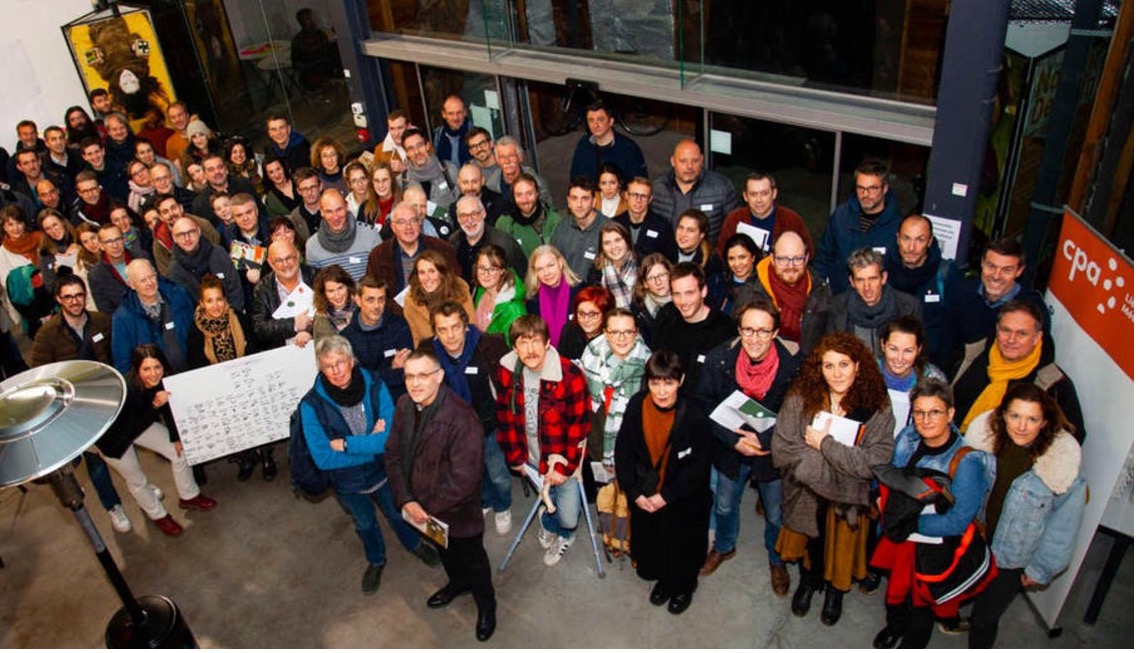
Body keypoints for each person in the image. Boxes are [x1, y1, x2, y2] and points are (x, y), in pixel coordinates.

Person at [300, 336, 439, 595]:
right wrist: (370, 445)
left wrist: (346, 444)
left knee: (399, 513)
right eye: (328, 365)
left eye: (341, 362)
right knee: (364, 523)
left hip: (385, 473)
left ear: (351, 361)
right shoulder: (311, 406)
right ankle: (376, 560)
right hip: (348, 485)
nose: (336, 371)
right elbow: (322, 458)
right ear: (320, 367)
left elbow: (388, 439)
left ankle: (414, 544)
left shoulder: (375, 385)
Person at [772, 332, 895, 626]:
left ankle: (834, 593)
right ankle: (808, 582)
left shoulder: (877, 403)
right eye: (828, 366)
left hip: (847, 501)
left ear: (858, 365)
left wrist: (825, 445)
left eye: (843, 364)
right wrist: (841, 464)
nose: (836, 373)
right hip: (806, 495)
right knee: (808, 546)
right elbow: (782, 447)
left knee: (839, 550)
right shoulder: (801, 396)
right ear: (819, 368)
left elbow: (875, 461)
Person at [870, 378, 995, 649]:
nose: (925, 420)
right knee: (895, 589)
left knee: (921, 603)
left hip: (931, 545)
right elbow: (892, 474)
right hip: (901, 537)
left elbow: (958, 520)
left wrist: (910, 524)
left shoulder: (966, 461)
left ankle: (912, 643)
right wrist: (880, 497)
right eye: (919, 412)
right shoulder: (908, 436)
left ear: (950, 414)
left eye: (934, 412)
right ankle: (894, 626)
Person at [385, 343, 497, 641]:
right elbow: (392, 455)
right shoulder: (404, 406)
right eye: (409, 376)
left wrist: (421, 506)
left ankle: (487, 606)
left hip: (457, 512)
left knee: (474, 559)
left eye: (423, 375)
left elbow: (465, 479)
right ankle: (458, 584)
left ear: (439, 376)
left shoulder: (462, 418)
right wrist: (406, 499)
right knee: (446, 552)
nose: (415, 383)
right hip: (420, 509)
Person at [962, 384, 1085, 648]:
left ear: (1045, 422)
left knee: (985, 619)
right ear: (1003, 415)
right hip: (975, 541)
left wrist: (1040, 569)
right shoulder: (983, 444)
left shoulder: (1059, 463)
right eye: (1015, 416)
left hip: (1011, 559)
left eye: (1032, 419)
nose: (1021, 426)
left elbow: (1064, 526)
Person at [696, 298, 802, 595]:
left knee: (776, 512)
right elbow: (703, 406)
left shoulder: (794, 364)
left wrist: (765, 441)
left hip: (773, 452)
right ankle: (725, 546)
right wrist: (734, 440)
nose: (755, 338)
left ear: (775, 332)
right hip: (730, 449)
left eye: (763, 331)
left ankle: (776, 558)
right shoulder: (719, 360)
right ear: (739, 330)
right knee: (725, 504)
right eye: (748, 330)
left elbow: (801, 415)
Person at [29, 274, 132, 533]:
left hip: (108, 399)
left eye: (79, 295)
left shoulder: (101, 322)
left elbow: (117, 353)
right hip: (76, 410)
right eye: (68, 297)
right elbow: (41, 377)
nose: (75, 301)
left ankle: (139, 486)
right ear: (58, 299)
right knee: (96, 463)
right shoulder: (47, 335)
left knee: (125, 446)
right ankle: (113, 507)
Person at [615, 349, 712, 615]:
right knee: (654, 548)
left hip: (682, 498)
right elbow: (623, 451)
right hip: (645, 494)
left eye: (668, 382)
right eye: (655, 383)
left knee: (683, 546)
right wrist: (634, 493)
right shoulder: (637, 405)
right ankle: (664, 579)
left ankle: (682, 586)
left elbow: (699, 467)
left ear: (680, 381)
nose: (661, 391)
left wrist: (666, 496)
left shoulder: (695, 414)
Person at [494, 315, 591, 566]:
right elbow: (504, 416)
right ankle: (549, 520)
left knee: (568, 518)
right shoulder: (507, 371)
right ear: (514, 347)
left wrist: (562, 468)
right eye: (522, 343)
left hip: (562, 461)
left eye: (536, 341)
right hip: (531, 458)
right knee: (551, 502)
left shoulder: (569, 374)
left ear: (547, 342)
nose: (530, 349)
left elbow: (579, 426)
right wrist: (515, 458)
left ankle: (563, 532)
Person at [96, 345, 218, 538]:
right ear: (137, 369)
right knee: (136, 479)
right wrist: (154, 406)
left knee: (180, 452)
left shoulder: (163, 379)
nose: (153, 374)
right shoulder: (127, 390)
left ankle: (189, 496)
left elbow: (168, 408)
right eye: (146, 369)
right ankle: (158, 515)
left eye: (157, 367)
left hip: (142, 421)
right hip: (114, 439)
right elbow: (129, 427)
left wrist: (176, 437)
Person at [429, 302, 513, 534]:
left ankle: (503, 505)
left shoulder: (488, 345)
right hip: (457, 432)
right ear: (435, 332)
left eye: (455, 327)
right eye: (443, 329)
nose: (450, 335)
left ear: (466, 325)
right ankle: (485, 501)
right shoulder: (429, 354)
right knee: (474, 474)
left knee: (497, 473)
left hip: (489, 426)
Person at [951, 301, 1085, 442]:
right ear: (997, 329)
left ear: (1037, 337)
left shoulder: (1054, 384)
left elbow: (1073, 437)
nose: (1011, 339)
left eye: (1022, 333)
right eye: (1006, 330)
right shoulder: (970, 355)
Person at [186, 274, 268, 480]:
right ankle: (246, 457)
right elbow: (196, 365)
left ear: (225, 299)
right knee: (235, 428)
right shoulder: (195, 331)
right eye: (210, 300)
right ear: (201, 303)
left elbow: (254, 347)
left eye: (219, 299)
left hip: (246, 382)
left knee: (258, 422)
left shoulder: (239, 318)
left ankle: (266, 456)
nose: (215, 305)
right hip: (219, 390)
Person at [944, 238, 1051, 368]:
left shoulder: (1033, 308)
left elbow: (1041, 357)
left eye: (1007, 270)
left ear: (1019, 271)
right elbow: (946, 342)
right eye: (991, 266)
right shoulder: (962, 292)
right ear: (982, 263)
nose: (996, 276)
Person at [883, 214, 964, 368]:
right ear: (898, 238)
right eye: (906, 238)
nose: (911, 248)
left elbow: (952, 329)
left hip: (929, 364)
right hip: (888, 362)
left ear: (930, 241)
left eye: (920, 240)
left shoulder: (946, 274)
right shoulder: (883, 271)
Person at [737, 231, 832, 356]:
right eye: (783, 259)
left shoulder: (821, 290)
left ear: (807, 258)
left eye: (798, 258)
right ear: (772, 259)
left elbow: (830, 340)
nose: (790, 266)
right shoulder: (751, 293)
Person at [815, 160, 902, 294]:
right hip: (839, 300)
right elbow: (823, 256)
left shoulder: (898, 227)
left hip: (876, 307)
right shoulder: (840, 217)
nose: (865, 194)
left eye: (872, 188)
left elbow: (898, 273)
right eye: (860, 188)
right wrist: (821, 290)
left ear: (885, 189)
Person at [581, 307, 651, 467]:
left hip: (635, 451)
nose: (621, 338)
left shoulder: (649, 365)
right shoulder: (591, 355)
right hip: (597, 444)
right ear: (606, 333)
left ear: (636, 332)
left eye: (628, 332)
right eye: (615, 332)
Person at [651, 262, 735, 391]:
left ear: (703, 291)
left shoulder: (725, 329)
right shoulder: (666, 317)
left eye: (689, 293)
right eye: (677, 294)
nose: (683, 301)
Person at [828, 248, 921, 358]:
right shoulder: (837, 307)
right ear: (852, 282)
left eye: (872, 279)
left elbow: (918, 353)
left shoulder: (909, 307)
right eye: (860, 280)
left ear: (884, 278)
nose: (867, 287)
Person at [111, 259, 195, 373]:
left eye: (151, 276)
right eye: (143, 280)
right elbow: (123, 362)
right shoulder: (122, 318)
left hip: (192, 371)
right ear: (131, 285)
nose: (149, 283)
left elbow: (197, 331)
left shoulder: (179, 296)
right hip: (155, 384)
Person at [651, 139, 740, 244]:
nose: (689, 166)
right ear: (673, 161)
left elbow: (735, 226)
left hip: (708, 256)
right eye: (683, 161)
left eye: (695, 161)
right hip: (667, 256)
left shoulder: (721, 187)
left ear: (702, 160)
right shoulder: (657, 188)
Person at [340, 276, 414, 401]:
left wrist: (371, 375)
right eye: (370, 300)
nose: (377, 306)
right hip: (365, 401)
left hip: (399, 399)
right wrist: (391, 368)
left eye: (381, 299)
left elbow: (406, 372)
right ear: (358, 300)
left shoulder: (399, 326)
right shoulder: (346, 338)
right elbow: (356, 381)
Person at [365, 201, 459, 297]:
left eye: (413, 220)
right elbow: (373, 293)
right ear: (393, 227)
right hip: (393, 310)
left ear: (419, 223)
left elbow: (455, 288)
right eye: (401, 222)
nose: (408, 227)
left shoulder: (443, 250)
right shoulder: (378, 256)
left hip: (436, 309)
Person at [717, 172, 813, 260]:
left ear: (774, 194)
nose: (759, 200)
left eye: (764, 194)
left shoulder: (791, 220)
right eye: (753, 194)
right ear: (745, 196)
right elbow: (722, 254)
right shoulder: (734, 219)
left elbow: (808, 254)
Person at [877, 316, 947, 437]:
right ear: (883, 345)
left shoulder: (933, 379)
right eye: (893, 349)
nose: (899, 358)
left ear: (918, 350)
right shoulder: (866, 373)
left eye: (908, 351)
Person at [167, 216, 244, 314]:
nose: (187, 238)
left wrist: (233, 315)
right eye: (181, 235)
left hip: (232, 315)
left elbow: (234, 286)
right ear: (174, 238)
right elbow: (184, 306)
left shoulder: (218, 252)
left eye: (191, 232)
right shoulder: (175, 271)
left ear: (199, 231)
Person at [251, 240, 317, 350]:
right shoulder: (262, 289)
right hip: (284, 354)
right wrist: (293, 324)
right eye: (279, 260)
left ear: (297, 255)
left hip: (319, 347)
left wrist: (311, 332)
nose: (285, 264)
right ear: (270, 263)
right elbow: (260, 329)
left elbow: (331, 313)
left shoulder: (316, 277)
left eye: (289, 258)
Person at [402, 250, 476, 345]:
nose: (427, 277)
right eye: (422, 272)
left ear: (442, 273)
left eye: (432, 271)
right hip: (431, 354)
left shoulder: (459, 290)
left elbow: (471, 328)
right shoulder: (411, 300)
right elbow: (416, 340)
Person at [449, 194, 526, 285]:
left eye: (474, 214)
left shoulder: (503, 244)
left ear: (484, 213)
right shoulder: (453, 242)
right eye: (464, 216)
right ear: (458, 219)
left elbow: (521, 277)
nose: (469, 220)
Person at [0, 206, 53, 336]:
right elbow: (9, 285)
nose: (15, 228)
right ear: (4, 227)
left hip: (52, 297)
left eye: (19, 223)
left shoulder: (40, 238)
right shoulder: (2, 253)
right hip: (29, 308)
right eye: (10, 224)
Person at [306, 189, 381, 280]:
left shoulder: (370, 235)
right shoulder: (312, 246)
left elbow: (381, 278)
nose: (335, 217)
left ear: (347, 206)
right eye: (329, 211)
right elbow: (317, 287)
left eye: (339, 209)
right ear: (321, 211)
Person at [570, 99, 648, 183]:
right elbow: (575, 179)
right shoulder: (584, 144)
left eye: (600, 120)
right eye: (591, 120)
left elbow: (639, 184)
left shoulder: (629, 149)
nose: (595, 125)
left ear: (611, 121)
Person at [523, 245, 580, 349]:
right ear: (535, 272)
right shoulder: (532, 301)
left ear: (560, 263)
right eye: (540, 269)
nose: (547, 273)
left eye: (550, 265)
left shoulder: (580, 291)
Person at [495, 172, 562, 258]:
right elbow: (502, 259)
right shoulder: (504, 223)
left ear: (537, 193)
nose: (525, 200)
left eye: (529, 193)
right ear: (513, 197)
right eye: (519, 195)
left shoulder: (553, 220)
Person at [672, 209, 727, 310]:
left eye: (690, 230)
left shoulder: (711, 262)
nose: (683, 234)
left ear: (701, 235)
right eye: (681, 228)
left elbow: (713, 301)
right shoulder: (667, 250)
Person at [614, 176, 676, 261]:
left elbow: (670, 259)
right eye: (634, 195)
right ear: (626, 196)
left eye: (643, 196)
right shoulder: (615, 223)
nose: (638, 200)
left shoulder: (662, 227)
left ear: (650, 199)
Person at [471, 244, 526, 341]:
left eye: (492, 269)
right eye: (481, 268)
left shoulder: (515, 309)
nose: (485, 274)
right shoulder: (479, 290)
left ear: (502, 271)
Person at [87, 223, 144, 315]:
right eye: (109, 242)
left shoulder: (142, 257)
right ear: (101, 246)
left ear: (124, 240)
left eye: (118, 239)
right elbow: (106, 311)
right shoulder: (96, 275)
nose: (115, 246)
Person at [401, 128, 460, 211]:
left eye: (420, 145)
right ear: (406, 153)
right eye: (411, 149)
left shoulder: (450, 170)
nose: (417, 152)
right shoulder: (403, 182)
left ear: (427, 146)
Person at [192, 154, 259, 226]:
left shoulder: (244, 185)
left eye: (220, 167)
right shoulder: (200, 204)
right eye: (211, 170)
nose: (217, 172)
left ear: (226, 169)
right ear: (205, 174)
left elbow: (260, 210)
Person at [587, 221, 637, 309]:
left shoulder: (641, 264)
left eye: (617, 240)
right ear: (602, 247)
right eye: (607, 243)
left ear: (627, 241)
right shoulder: (595, 270)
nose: (613, 246)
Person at [491, 136, 553, 207]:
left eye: (511, 156)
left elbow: (548, 207)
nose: (507, 161)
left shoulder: (535, 180)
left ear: (520, 157)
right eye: (502, 157)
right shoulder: (491, 185)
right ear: (497, 160)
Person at [557, 284, 613, 361]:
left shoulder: (613, 337)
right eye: (581, 314)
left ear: (605, 314)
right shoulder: (569, 330)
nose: (586, 319)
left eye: (593, 314)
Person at [631, 253, 672, 345]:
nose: (658, 282)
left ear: (670, 275)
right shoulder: (638, 307)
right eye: (651, 278)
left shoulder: (685, 300)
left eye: (661, 275)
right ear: (645, 283)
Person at [312, 264, 357, 340]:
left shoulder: (361, 305)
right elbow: (325, 350)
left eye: (340, 288)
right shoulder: (321, 317)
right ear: (323, 293)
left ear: (348, 286)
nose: (337, 295)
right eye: (331, 291)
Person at [721, 233, 761, 317]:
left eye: (742, 257)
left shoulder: (763, 285)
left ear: (753, 257)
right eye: (731, 258)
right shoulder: (718, 283)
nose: (737, 264)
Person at [432, 95, 472, 167]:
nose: (455, 118)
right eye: (451, 113)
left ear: (465, 112)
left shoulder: (474, 133)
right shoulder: (438, 135)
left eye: (459, 112)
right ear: (443, 114)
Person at [361, 161, 398, 232]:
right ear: (372, 183)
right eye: (376, 181)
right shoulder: (364, 208)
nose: (381, 185)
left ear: (392, 180)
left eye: (385, 180)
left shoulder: (403, 204)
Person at [373, 109, 411, 176]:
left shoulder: (421, 144)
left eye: (400, 128)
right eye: (392, 129)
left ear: (408, 127)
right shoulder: (379, 150)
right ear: (388, 129)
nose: (396, 133)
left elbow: (431, 171)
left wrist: (405, 168)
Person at [290, 167, 324, 237]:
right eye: (304, 189)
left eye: (313, 187)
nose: (309, 192)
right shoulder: (294, 218)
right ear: (298, 191)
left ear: (320, 187)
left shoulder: (333, 209)